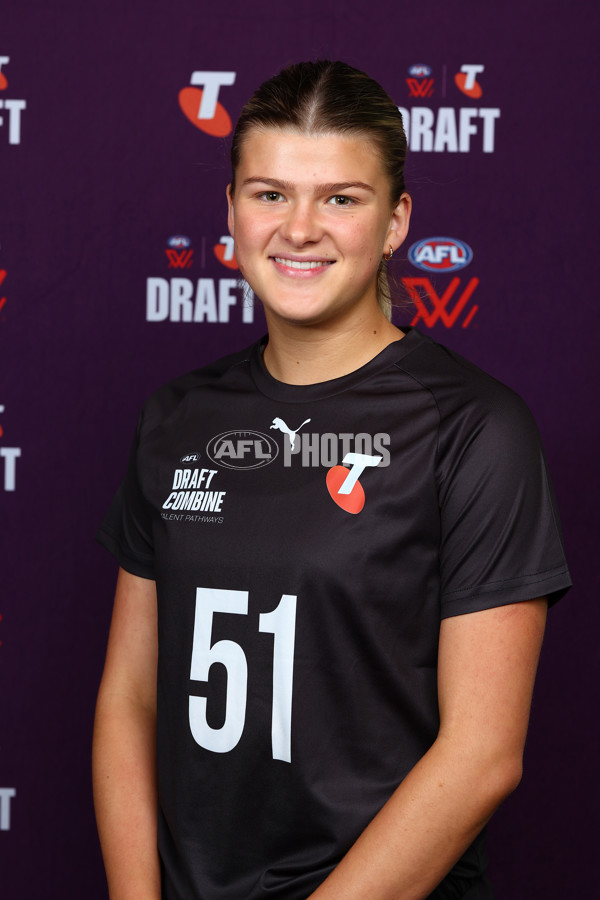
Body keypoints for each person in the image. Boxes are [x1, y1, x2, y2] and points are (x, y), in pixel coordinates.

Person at [93, 60, 571, 900]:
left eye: (341, 199)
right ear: (231, 209)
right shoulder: (176, 418)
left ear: (396, 222)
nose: (300, 228)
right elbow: (131, 696)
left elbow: (483, 755)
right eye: (270, 194)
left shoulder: (472, 427)